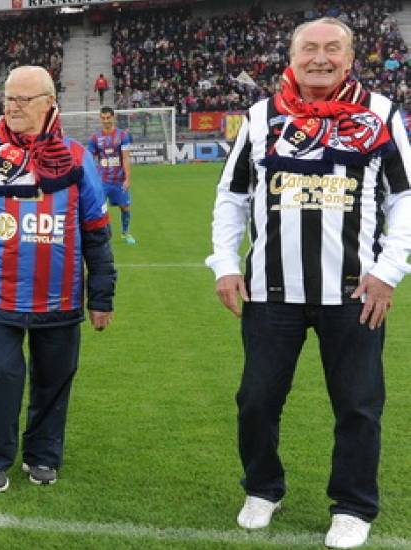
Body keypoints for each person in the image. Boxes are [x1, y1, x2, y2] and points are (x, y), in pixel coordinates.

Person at [205, 18, 411, 550]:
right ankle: (262, 489)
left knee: (359, 405)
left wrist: (388, 272)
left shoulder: (381, 113)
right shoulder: (259, 116)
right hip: (271, 292)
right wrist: (225, 263)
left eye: (332, 49)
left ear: (350, 57)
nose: (320, 58)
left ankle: (353, 505)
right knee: (256, 399)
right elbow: (232, 196)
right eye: (309, 49)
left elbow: (404, 198)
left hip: (354, 292)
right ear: (291, 58)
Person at [0, 66, 117, 493]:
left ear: (49, 104)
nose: (13, 106)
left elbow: (96, 230)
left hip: (59, 300)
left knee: (53, 380)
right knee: (2, 374)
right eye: (8, 98)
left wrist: (102, 296)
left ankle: (42, 456)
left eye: (23, 99)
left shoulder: (77, 157)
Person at [87, 106, 135, 244]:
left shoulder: (122, 136)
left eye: (108, 118)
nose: (106, 121)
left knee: (124, 207)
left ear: (113, 117)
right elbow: (90, 158)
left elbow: (125, 158)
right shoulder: (96, 138)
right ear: (100, 118)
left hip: (119, 179)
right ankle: (102, 235)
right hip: (102, 180)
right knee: (99, 208)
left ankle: (125, 233)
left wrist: (127, 179)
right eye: (103, 118)